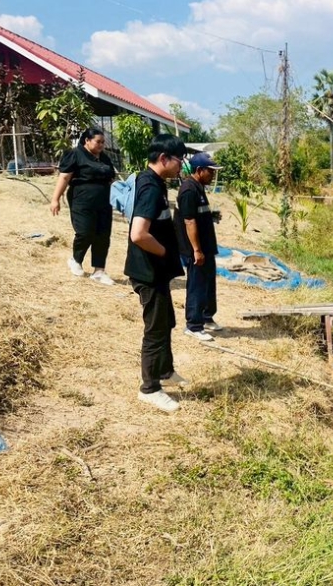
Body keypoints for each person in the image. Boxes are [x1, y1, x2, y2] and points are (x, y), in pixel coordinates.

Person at [124, 134, 188, 413]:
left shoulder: (154, 182)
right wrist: (164, 253)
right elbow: (138, 234)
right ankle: (149, 388)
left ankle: (165, 371)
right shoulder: (150, 187)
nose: (181, 166)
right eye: (179, 160)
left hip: (157, 272)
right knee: (155, 329)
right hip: (148, 272)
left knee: (167, 322)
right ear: (164, 158)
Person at [50, 127, 117, 285]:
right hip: (82, 200)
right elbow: (65, 177)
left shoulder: (104, 158)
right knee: (85, 231)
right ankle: (76, 259)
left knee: (102, 235)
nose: (101, 145)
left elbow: (111, 179)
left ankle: (99, 270)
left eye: (103, 142)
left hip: (104, 202)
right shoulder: (76, 154)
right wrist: (55, 199)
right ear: (87, 140)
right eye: (98, 142)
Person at [174, 152, 223, 342]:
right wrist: (196, 250)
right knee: (197, 285)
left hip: (206, 246)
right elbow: (189, 221)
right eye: (210, 172)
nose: (213, 175)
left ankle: (206, 316)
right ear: (199, 170)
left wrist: (211, 216)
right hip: (195, 249)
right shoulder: (188, 190)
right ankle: (193, 325)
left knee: (208, 283)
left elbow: (199, 215)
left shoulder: (199, 187)